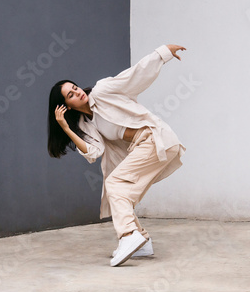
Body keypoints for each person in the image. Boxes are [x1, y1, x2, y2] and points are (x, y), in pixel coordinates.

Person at [47, 44, 187, 266]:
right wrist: (66, 128)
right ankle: (142, 241)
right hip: (143, 147)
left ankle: (129, 236)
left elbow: (134, 76)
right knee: (120, 193)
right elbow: (94, 152)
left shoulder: (102, 91)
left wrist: (162, 53)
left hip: (154, 138)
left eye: (75, 87)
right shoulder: (85, 123)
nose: (77, 92)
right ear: (66, 106)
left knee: (115, 184)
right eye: (71, 95)